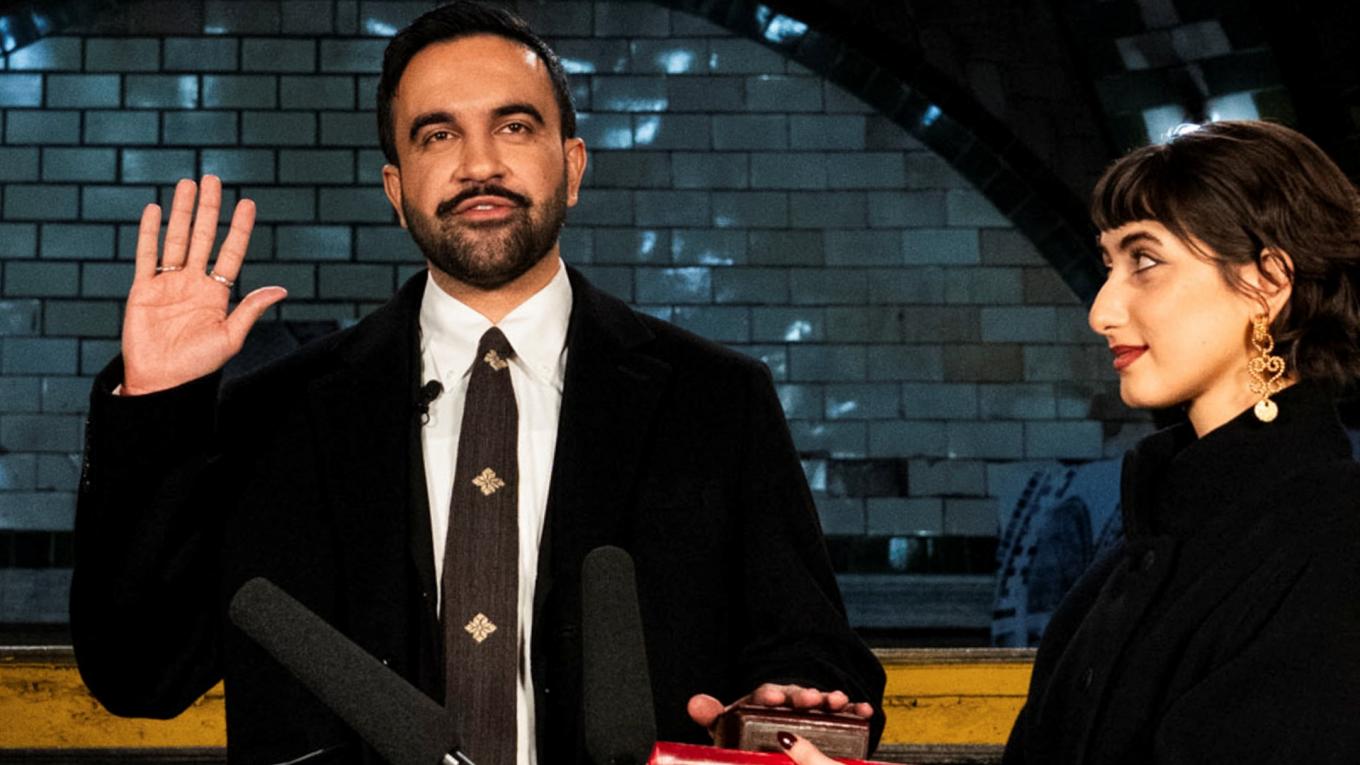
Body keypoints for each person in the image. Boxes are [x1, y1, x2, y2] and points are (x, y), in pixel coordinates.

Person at [68, 3, 884, 764]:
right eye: (437, 135)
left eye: (514, 126)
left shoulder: (716, 400)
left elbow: (811, 650)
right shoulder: (276, 414)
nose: (480, 164)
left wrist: (790, 707)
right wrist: (156, 406)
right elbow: (140, 673)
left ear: (572, 168)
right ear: (397, 191)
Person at [778, 120, 1360, 765]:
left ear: (1267, 282)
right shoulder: (1123, 567)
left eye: (1145, 261)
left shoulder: (1334, 545)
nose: (1102, 311)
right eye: (1108, 265)